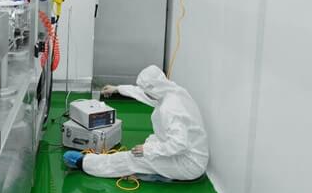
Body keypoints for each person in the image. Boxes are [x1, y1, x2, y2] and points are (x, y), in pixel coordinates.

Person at [63, 65, 208, 181]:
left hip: (188, 164)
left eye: (146, 90)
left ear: (153, 88)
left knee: (135, 158)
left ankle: (85, 163)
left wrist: (148, 151)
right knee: (150, 142)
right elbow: (144, 93)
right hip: (192, 153)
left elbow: (178, 144)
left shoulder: (170, 109)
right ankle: (152, 170)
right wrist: (117, 89)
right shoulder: (171, 91)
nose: (144, 93)